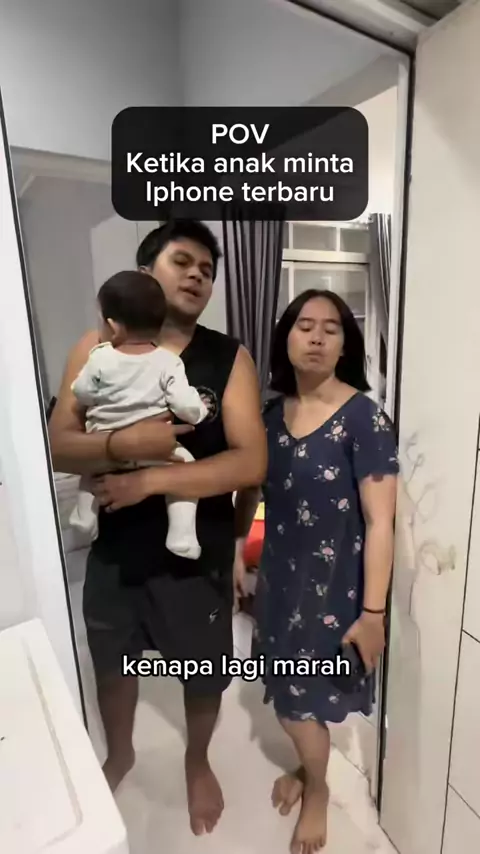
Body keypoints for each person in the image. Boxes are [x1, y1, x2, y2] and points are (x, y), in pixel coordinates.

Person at [48, 220, 267, 835]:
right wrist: (123, 445)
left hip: (196, 551)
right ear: (146, 273)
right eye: (183, 261)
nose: (198, 275)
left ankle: (197, 761)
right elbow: (58, 445)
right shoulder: (97, 343)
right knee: (113, 661)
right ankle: (120, 753)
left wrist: (148, 480)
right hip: (115, 548)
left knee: (203, 669)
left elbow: (251, 463)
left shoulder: (229, 358)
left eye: (207, 269)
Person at [234, 289, 398, 853]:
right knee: (287, 692)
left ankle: (319, 789)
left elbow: (381, 522)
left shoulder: (365, 419)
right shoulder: (268, 416)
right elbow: (250, 489)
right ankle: (310, 769)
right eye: (305, 325)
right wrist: (236, 551)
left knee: (299, 702)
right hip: (279, 585)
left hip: (334, 593)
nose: (318, 337)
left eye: (332, 328)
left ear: (345, 344)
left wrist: (373, 614)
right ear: (286, 336)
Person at [70, 270, 208, 560]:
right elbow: (185, 405)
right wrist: (200, 410)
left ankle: (85, 515)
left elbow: (82, 392)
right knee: (185, 468)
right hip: (157, 450)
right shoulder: (168, 362)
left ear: (113, 327)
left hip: (105, 443)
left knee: (89, 469)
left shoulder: (99, 356)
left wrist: (88, 395)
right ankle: (181, 534)